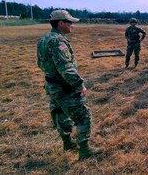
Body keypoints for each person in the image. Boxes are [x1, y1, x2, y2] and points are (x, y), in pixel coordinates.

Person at [37, 10, 102, 160]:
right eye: (70, 22)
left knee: (59, 113)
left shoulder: (44, 40)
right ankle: (84, 150)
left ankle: (67, 143)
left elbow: (40, 64)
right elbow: (66, 68)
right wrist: (80, 85)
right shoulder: (58, 41)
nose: (72, 25)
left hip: (52, 86)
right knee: (83, 116)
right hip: (64, 87)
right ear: (61, 23)